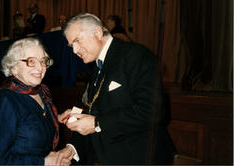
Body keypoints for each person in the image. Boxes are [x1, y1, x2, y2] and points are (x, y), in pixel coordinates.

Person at [58, 13, 175, 165]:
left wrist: (98, 123)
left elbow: (153, 110)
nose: (74, 50)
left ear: (98, 32)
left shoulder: (135, 55)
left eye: (77, 41)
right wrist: (71, 148)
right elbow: (92, 114)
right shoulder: (97, 67)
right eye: (71, 45)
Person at [0, 38, 72, 165]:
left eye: (43, 61)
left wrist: (57, 117)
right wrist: (44, 162)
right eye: (31, 61)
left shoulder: (42, 92)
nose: (40, 68)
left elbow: (29, 121)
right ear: (14, 67)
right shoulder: (5, 101)